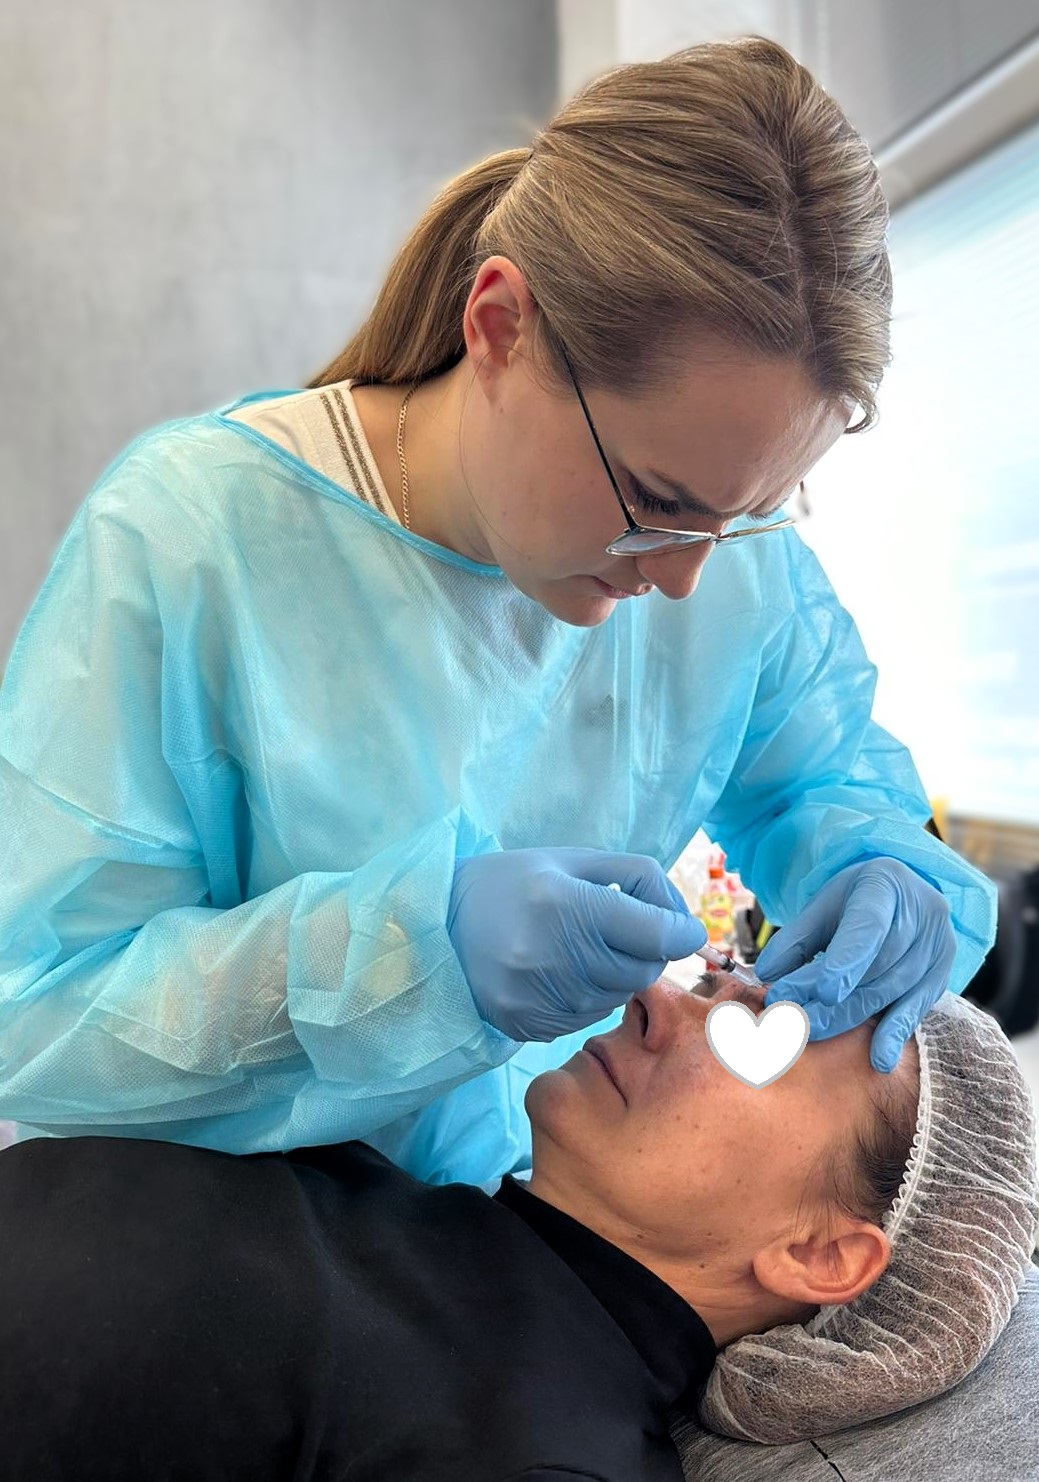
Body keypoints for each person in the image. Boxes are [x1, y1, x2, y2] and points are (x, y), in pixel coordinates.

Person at [0, 38, 997, 1177]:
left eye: (751, 515)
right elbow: (37, 1019)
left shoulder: (728, 570)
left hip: (527, 1223)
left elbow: (822, 781)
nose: (683, 579)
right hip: (216, 1249)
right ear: (499, 326)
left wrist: (881, 868)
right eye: (656, 500)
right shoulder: (191, 539)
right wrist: (406, 954)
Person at [1, 974, 1035, 1482]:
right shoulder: (409, 1205)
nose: (656, 997)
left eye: (756, 1033)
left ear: (818, 1254)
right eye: (716, 979)